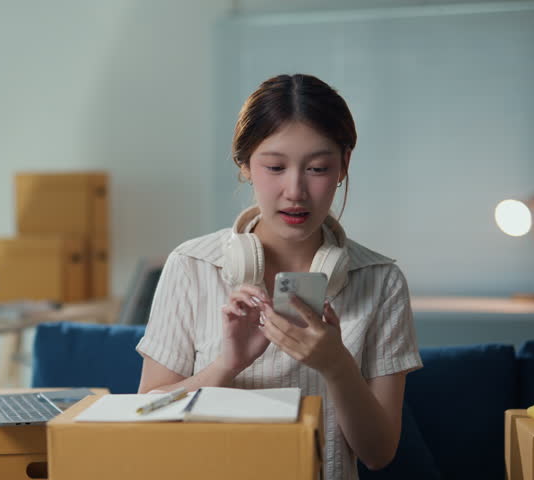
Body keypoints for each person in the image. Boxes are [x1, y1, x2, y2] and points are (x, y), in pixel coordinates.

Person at [136, 73, 422, 480]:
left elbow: (378, 454)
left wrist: (337, 365)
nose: (295, 190)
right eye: (274, 166)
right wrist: (226, 365)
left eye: (318, 168)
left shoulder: (381, 280)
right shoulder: (191, 266)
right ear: (245, 166)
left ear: (344, 165)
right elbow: (144, 415)